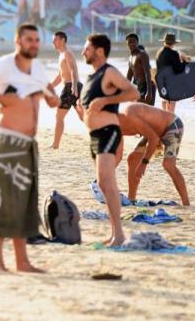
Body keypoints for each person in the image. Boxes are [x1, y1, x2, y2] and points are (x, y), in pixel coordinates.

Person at [0, 23, 59, 273]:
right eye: (29, 39)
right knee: (4, 200)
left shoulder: (38, 68)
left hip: (29, 144)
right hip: (7, 142)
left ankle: (22, 262)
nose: (34, 44)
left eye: (37, 40)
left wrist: (52, 98)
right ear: (18, 41)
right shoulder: (4, 65)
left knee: (25, 203)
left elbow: (50, 97)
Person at [81, 34, 139, 246]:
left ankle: (119, 235)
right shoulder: (91, 75)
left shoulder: (109, 72)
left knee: (107, 182)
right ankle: (115, 233)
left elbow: (134, 92)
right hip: (95, 136)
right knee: (104, 185)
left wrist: (106, 100)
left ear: (99, 51)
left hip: (108, 131)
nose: (83, 52)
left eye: (87, 48)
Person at [119, 102, 189, 206]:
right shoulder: (113, 126)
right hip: (154, 132)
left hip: (172, 126)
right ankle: (131, 199)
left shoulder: (130, 115)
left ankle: (186, 203)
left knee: (168, 165)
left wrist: (143, 164)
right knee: (132, 158)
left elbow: (154, 139)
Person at [49, 31, 83, 150]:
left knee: (59, 116)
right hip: (72, 87)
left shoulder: (67, 54)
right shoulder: (61, 55)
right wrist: (50, 86)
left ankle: (55, 145)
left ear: (63, 40)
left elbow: (73, 70)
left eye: (55, 40)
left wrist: (73, 86)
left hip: (71, 87)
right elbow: (60, 76)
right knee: (84, 116)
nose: (53, 42)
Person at [155, 33, 189, 113]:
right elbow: (179, 70)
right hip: (171, 84)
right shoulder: (174, 53)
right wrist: (184, 61)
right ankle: (169, 125)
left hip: (161, 84)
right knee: (170, 113)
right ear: (174, 43)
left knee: (164, 112)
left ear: (164, 42)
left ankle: (163, 125)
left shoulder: (159, 53)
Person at [125, 33, 155, 105]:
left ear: (137, 42)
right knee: (138, 112)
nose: (132, 44)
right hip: (139, 86)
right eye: (129, 42)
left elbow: (147, 73)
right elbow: (129, 76)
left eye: (133, 41)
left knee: (147, 112)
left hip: (147, 86)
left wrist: (149, 92)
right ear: (127, 44)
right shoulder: (131, 58)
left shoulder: (142, 54)